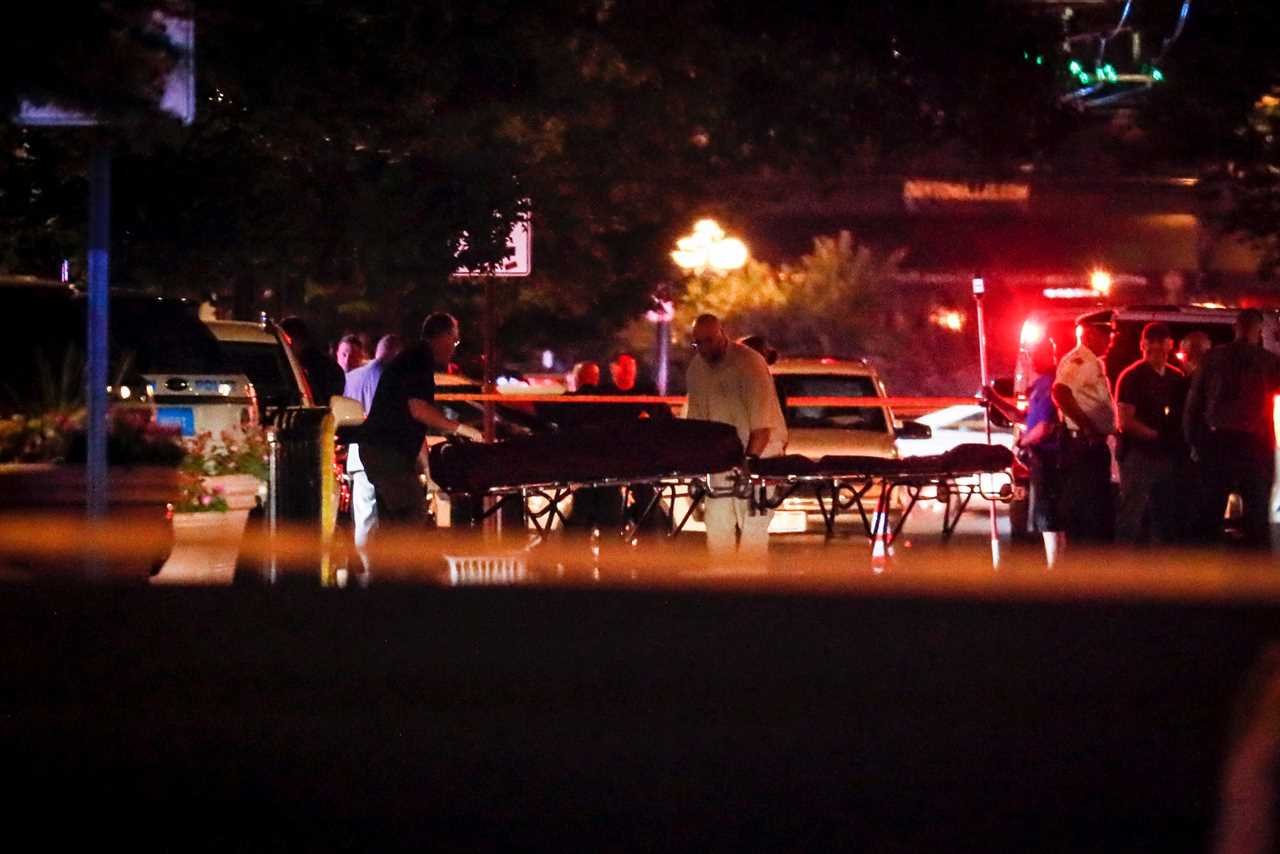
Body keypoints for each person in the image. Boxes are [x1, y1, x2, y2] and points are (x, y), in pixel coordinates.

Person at [358, 313, 481, 533]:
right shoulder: (418, 360)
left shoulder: (412, 358)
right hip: (386, 451)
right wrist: (460, 428)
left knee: (394, 520)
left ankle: (385, 566)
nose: (454, 348)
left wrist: (428, 469)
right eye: (454, 341)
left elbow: (413, 426)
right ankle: (402, 565)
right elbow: (418, 409)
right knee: (412, 512)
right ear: (443, 338)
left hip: (382, 449)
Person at [683, 314, 788, 560]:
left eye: (709, 341)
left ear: (723, 333)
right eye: (698, 343)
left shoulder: (749, 364)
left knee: (753, 530)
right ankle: (722, 589)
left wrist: (750, 461)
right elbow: (697, 424)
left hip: (759, 454)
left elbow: (762, 425)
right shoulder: (696, 370)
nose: (705, 349)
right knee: (717, 528)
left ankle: (750, 591)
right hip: (721, 459)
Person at [1183, 309, 1280, 549]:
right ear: (1257, 331)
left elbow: (1193, 406)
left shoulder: (1212, 359)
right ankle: (1255, 575)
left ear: (1234, 328)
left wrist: (1195, 442)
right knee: (1257, 516)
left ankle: (1204, 571)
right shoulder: (1267, 361)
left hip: (1218, 442)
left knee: (1210, 513)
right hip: (1255, 444)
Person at [985, 338, 1066, 566]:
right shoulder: (1039, 388)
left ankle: (1055, 569)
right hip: (1041, 460)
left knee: (1049, 519)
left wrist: (1022, 443)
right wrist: (994, 399)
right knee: (1047, 518)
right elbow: (1023, 418)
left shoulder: (1050, 386)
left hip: (1049, 459)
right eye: (1033, 354)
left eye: (1039, 353)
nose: (1033, 359)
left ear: (1050, 356)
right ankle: (1056, 566)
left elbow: (1044, 427)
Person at [1113, 323, 1188, 545]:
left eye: (1160, 343)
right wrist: (1156, 436)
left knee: (1164, 515)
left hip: (1166, 456)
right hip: (1139, 455)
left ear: (1169, 345)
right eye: (1151, 343)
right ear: (1143, 345)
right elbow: (1125, 421)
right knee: (1131, 513)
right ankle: (1123, 566)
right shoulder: (1132, 376)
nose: (1156, 348)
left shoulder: (1176, 377)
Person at [1052, 320, 1119, 543]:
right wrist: (1088, 428)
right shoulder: (1082, 361)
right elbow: (1060, 392)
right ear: (1089, 335)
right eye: (1105, 335)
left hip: (1089, 444)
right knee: (1086, 511)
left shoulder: (1093, 361)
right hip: (1083, 446)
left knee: (1093, 510)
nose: (1110, 342)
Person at [342, 333, 404, 573]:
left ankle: (366, 569)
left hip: (358, 454)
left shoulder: (352, 378)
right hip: (387, 454)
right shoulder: (392, 379)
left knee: (364, 516)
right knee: (388, 516)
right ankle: (383, 571)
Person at [280, 316, 346, 405]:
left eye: (283, 342)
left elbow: (329, 403)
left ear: (292, 340)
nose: (282, 348)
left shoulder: (323, 368)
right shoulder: (330, 366)